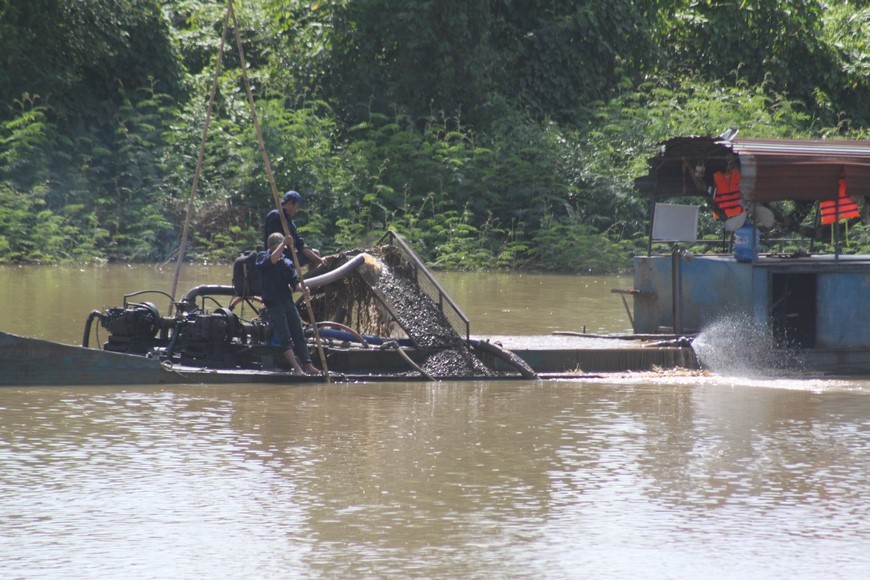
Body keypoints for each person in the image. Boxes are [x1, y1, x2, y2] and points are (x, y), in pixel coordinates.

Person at [256, 232, 321, 376]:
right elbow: (272, 260)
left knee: (298, 334)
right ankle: (296, 368)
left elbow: (294, 283)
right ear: (270, 247)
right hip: (274, 303)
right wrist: (284, 243)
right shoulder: (262, 257)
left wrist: (303, 289)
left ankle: (308, 365)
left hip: (287, 302)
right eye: (279, 246)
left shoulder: (287, 262)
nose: (283, 250)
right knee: (285, 337)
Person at [263, 190, 324, 271]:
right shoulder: (275, 215)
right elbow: (273, 244)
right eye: (297, 207)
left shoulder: (289, 222)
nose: (297, 210)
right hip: (278, 258)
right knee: (315, 254)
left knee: (315, 253)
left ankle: (310, 281)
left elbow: (301, 246)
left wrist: (321, 261)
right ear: (290, 203)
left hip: (290, 256)